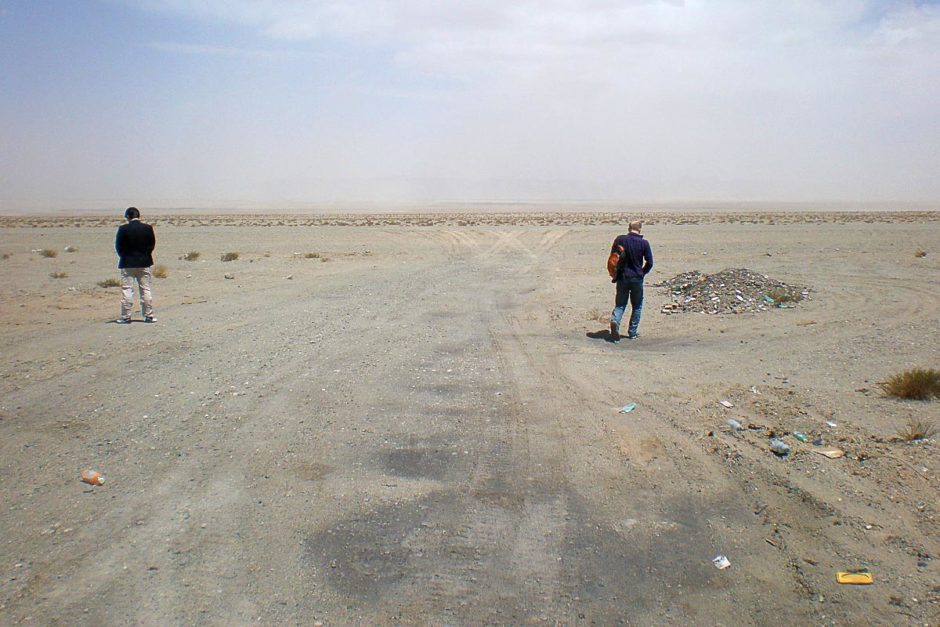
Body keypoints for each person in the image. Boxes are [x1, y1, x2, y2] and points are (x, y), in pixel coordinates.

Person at [610, 220, 653, 341]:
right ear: (640, 229)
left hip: (622, 277)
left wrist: (614, 273)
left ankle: (615, 320)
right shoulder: (644, 243)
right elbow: (650, 262)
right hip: (637, 278)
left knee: (620, 304)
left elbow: (613, 258)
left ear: (629, 228)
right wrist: (642, 273)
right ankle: (632, 333)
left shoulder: (620, 240)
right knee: (637, 305)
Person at [114, 207, 157, 323]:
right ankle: (149, 315)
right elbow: (151, 244)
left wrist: (124, 256)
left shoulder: (123, 229)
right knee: (145, 289)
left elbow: (118, 246)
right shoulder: (147, 228)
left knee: (127, 290)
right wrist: (145, 255)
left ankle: (126, 316)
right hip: (144, 262)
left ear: (128, 216)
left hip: (127, 263)